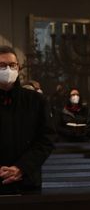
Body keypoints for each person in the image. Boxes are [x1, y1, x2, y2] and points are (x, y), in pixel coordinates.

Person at [0, 46, 54, 193]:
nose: (8, 69)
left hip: (27, 181)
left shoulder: (36, 100)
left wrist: (21, 168)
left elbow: (46, 139)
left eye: (12, 65)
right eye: (2, 65)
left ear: (18, 67)